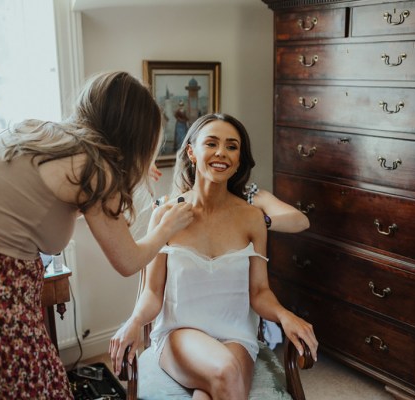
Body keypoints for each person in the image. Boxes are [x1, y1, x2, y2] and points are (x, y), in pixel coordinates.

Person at [0, 71, 194, 399]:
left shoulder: (34, 133)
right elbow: (128, 260)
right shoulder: (94, 168)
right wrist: (166, 228)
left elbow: (41, 209)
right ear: (136, 137)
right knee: (42, 388)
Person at [109, 113, 318, 399]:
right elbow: (153, 292)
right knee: (225, 372)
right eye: (212, 143)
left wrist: (284, 315)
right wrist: (133, 322)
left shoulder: (253, 219)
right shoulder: (166, 215)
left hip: (237, 338)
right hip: (180, 333)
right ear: (192, 152)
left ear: (239, 160)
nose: (222, 152)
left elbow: (259, 291)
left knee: (209, 391)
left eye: (232, 146)